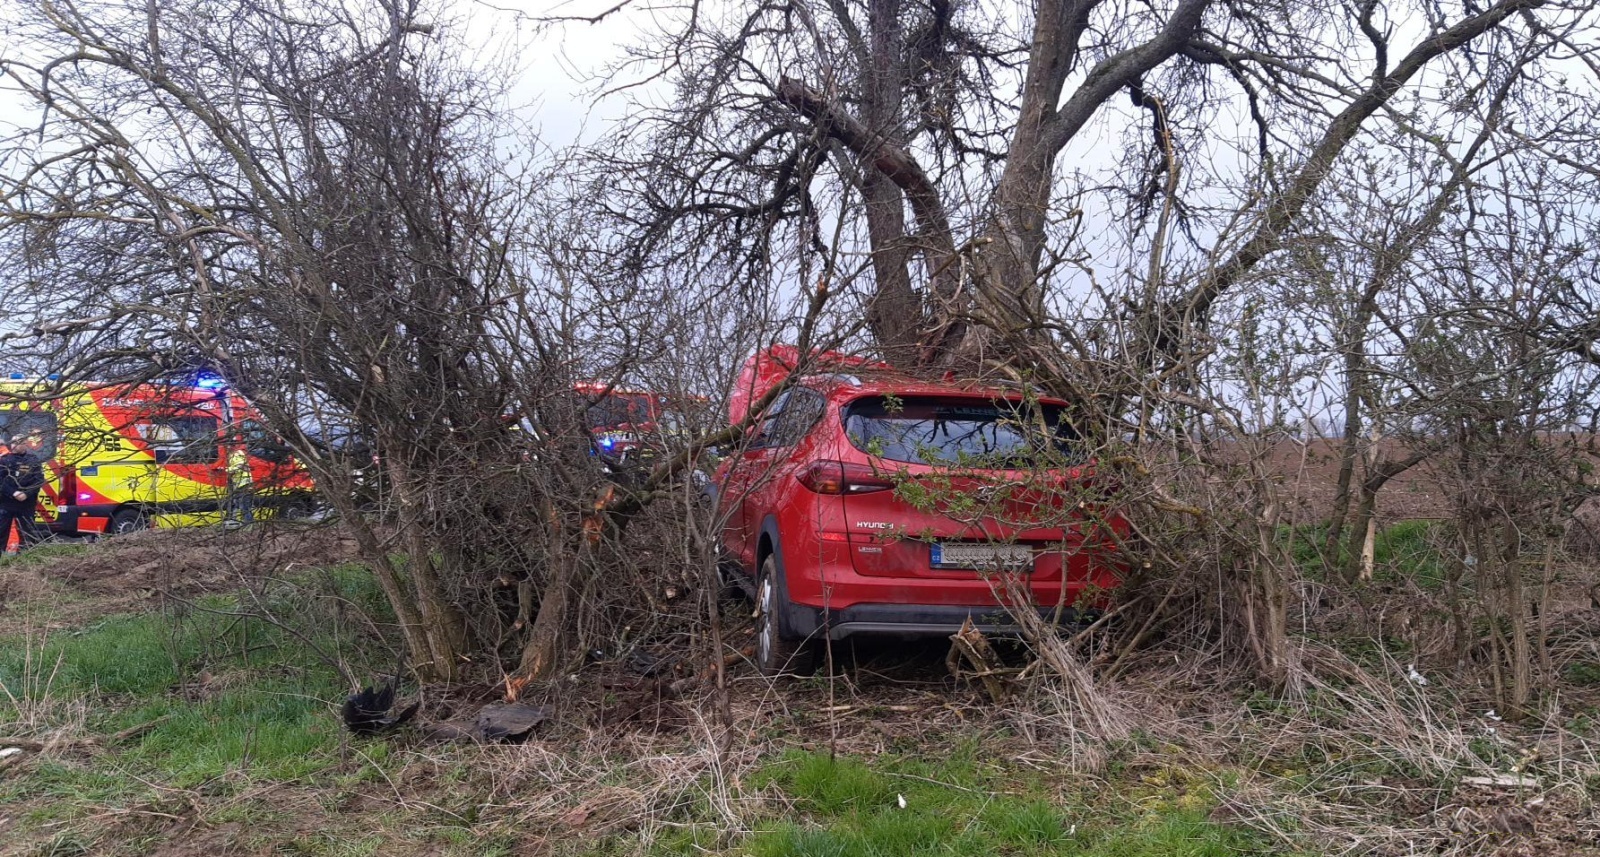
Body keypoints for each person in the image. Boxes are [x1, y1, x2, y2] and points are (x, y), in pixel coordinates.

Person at [0, 436, 46, 552]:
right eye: (13, 442)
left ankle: (24, 559)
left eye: (19, 442)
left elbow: (39, 480)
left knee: (27, 534)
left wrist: (26, 493)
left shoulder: (33, 460)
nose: (15, 445)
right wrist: (13, 492)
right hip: (6, 502)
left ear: (25, 444)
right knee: (1, 532)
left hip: (26, 503)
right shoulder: (4, 460)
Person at [225, 444, 254, 527]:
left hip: (245, 483)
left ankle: (249, 525)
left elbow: (240, 465)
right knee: (239, 505)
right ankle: (242, 524)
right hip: (240, 484)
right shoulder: (233, 455)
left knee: (245, 507)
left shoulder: (237, 454)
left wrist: (227, 470)